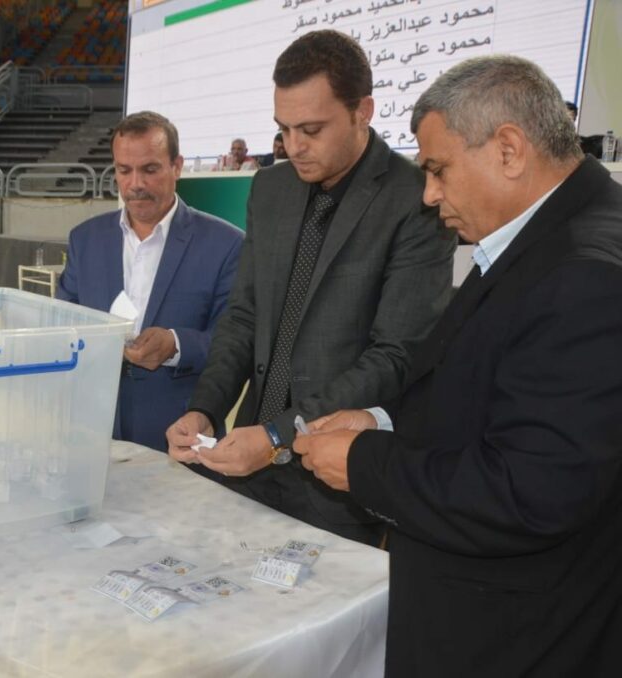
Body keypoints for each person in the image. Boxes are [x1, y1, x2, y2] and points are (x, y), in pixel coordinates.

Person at [292, 55, 622, 677]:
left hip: (516, 638)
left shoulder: (586, 275)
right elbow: (479, 383)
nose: (429, 194)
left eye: (438, 169)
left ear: (508, 150)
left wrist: (364, 464)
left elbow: (531, 492)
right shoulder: (547, 237)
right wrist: (380, 420)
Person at [165, 29, 455, 546]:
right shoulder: (270, 188)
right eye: (284, 129)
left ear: (363, 111)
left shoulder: (415, 198)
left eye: (312, 129)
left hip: (336, 485)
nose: (293, 146)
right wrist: (204, 409)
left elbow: (396, 354)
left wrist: (279, 435)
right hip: (245, 464)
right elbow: (244, 315)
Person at [57, 111, 243, 451]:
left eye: (150, 169)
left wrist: (176, 344)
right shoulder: (85, 239)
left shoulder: (226, 245)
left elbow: (236, 341)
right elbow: (64, 323)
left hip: (179, 431)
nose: (135, 184)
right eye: (124, 170)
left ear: (177, 166)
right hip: (92, 429)